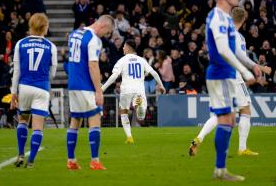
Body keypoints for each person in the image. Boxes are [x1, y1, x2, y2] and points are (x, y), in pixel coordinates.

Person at [189, 6, 272, 156]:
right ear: (243, 20)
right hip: (232, 77)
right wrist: (262, 68)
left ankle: (198, 138)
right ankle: (242, 148)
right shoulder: (238, 37)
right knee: (245, 110)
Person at [201, 0, 259, 181]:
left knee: (228, 120)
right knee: (226, 119)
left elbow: (236, 49)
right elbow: (225, 50)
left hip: (226, 73)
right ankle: (220, 170)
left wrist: (252, 65)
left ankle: (220, 169)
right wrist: (244, 71)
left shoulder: (226, 18)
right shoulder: (217, 17)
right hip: (220, 73)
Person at [66, 15, 114, 171]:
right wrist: (99, 91)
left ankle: (71, 160)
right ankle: (95, 161)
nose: (105, 36)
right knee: (94, 120)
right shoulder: (94, 39)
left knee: (76, 121)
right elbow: (93, 65)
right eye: (107, 32)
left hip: (73, 83)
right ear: (104, 26)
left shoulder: (75, 33)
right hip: (85, 85)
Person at [10, 13, 57, 168]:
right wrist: (45, 81)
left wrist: (13, 92)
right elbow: (53, 73)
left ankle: (21, 153)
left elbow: (16, 71)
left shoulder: (20, 44)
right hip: (42, 88)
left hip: (24, 87)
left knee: (23, 120)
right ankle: (31, 161)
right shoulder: (51, 46)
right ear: (44, 27)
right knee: (38, 127)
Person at [101, 39, 166, 144]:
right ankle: (139, 109)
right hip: (139, 89)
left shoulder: (122, 60)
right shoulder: (141, 60)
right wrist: (161, 86)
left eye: (124, 46)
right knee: (141, 116)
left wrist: (103, 88)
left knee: (123, 112)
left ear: (127, 47)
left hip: (126, 89)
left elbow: (114, 76)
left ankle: (129, 137)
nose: (122, 48)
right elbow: (154, 73)